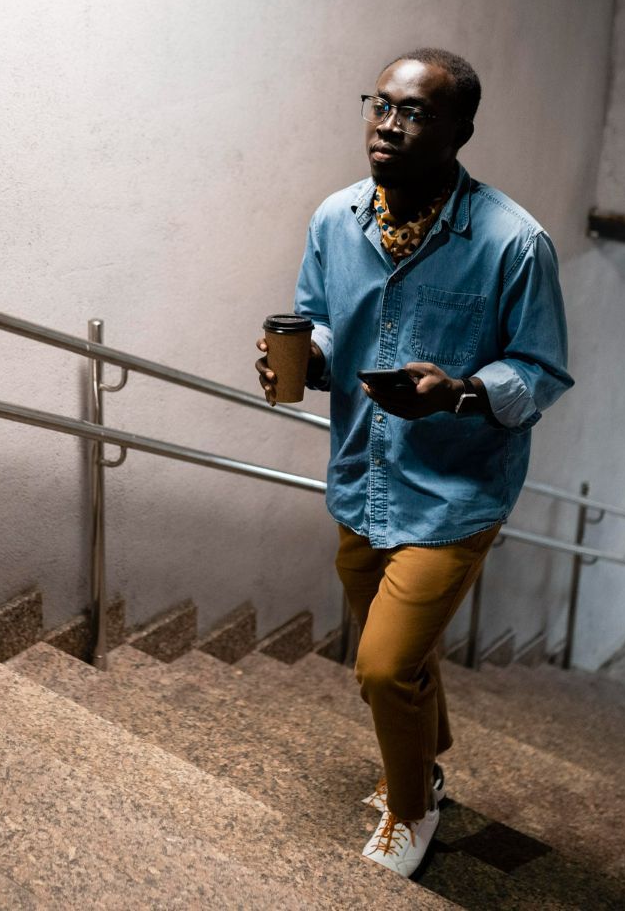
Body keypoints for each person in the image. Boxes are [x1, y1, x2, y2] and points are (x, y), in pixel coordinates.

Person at [254, 48, 572, 878]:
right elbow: (323, 321)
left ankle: (411, 807)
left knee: (384, 666)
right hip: (362, 479)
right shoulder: (336, 218)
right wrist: (305, 359)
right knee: (396, 652)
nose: (389, 124)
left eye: (415, 112)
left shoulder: (513, 242)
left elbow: (541, 372)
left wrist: (460, 391)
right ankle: (425, 753)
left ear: (460, 131)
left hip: (454, 494)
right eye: (381, 105)